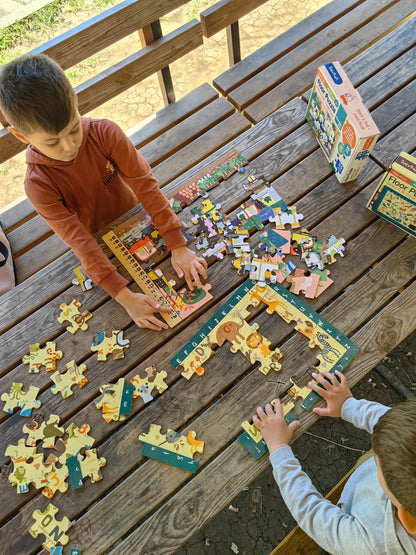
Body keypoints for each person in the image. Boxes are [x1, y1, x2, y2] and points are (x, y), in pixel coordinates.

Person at [0, 54, 207, 330]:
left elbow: (145, 185)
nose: (69, 145)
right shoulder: (37, 185)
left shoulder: (105, 133)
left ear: (75, 102)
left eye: (74, 128)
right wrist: (124, 297)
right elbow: (81, 242)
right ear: (21, 137)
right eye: (52, 142)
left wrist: (177, 244)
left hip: (136, 218)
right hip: (98, 243)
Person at [253, 370, 416, 554]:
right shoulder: (406, 496)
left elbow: (310, 512)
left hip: (354, 511)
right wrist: (349, 406)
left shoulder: (367, 545)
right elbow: (396, 426)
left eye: (378, 462)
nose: (376, 456)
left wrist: (278, 447)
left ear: (406, 518)